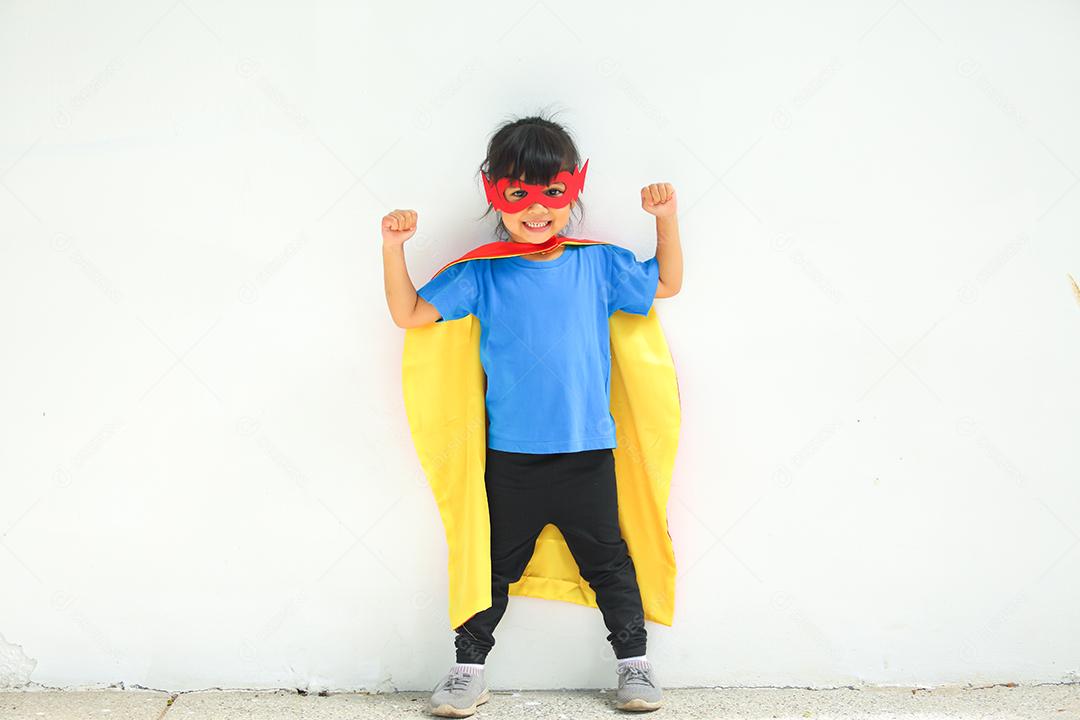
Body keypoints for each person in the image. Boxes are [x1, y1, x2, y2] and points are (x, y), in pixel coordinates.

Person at [382, 112, 683, 716]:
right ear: (496, 193)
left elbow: (666, 285)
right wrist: (394, 249)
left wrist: (666, 221)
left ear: (574, 189)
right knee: (489, 565)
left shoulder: (598, 264)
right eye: (518, 193)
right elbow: (410, 314)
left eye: (553, 192)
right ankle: (468, 670)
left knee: (611, 563)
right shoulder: (481, 273)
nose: (536, 208)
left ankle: (636, 665)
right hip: (511, 458)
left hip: (588, 453)